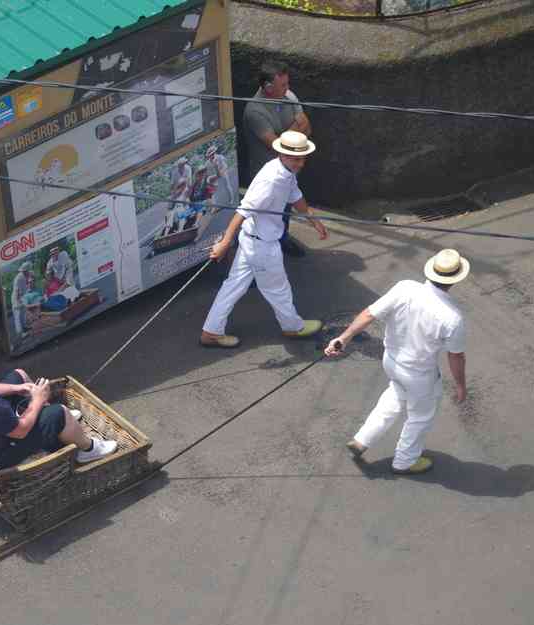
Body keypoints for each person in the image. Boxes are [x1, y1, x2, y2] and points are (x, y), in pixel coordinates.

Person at [324, 249, 470, 474]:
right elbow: (456, 356)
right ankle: (405, 460)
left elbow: (369, 314)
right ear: (455, 279)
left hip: (391, 361)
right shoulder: (452, 317)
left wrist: (343, 338)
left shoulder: (405, 288)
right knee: (421, 416)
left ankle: (363, 439)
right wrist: (460, 385)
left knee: (395, 396)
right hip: (420, 375)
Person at [200, 131, 328, 349]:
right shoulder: (272, 180)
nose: (300, 163)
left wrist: (311, 218)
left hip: (252, 240)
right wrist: (224, 243)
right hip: (262, 245)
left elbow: (294, 194)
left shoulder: (283, 170)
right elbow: (244, 210)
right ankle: (292, 326)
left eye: (302, 158)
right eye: (296, 159)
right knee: (278, 289)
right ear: (282, 154)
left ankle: (211, 331)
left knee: (232, 286)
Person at [0, 332, 117, 469]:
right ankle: (88, 449)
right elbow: (20, 431)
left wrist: (18, 388)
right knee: (59, 412)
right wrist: (38, 400)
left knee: (20, 375)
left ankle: (61, 424)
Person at [242, 60, 313, 256]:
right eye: (283, 85)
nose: (287, 89)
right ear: (268, 87)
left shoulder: (288, 96)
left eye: (287, 84)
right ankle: (260, 252)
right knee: (266, 215)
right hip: (267, 174)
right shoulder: (255, 111)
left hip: (289, 170)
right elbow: (277, 146)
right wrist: (295, 130)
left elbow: (307, 125)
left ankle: (283, 240)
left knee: (286, 209)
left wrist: (290, 137)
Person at [10, 262, 34, 339]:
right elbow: (17, 291)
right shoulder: (19, 278)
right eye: (28, 271)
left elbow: (27, 287)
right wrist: (19, 301)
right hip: (17, 299)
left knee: (23, 314)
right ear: (25, 271)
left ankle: (24, 327)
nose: (29, 272)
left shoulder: (25, 276)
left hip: (22, 298)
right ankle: (20, 334)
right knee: (18, 316)